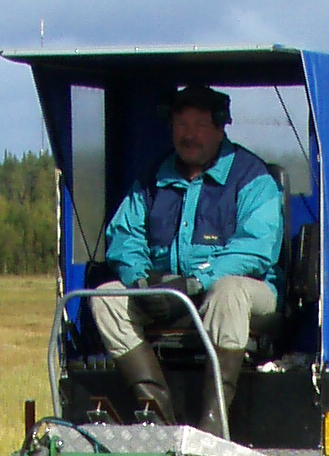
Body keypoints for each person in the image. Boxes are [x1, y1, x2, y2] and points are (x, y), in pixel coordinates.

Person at [89, 84, 286, 433]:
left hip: (246, 293)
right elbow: (124, 236)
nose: (189, 135)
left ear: (220, 127)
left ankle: (213, 427)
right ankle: (157, 418)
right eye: (181, 125)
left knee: (228, 293)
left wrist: (196, 280)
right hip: (168, 294)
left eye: (199, 125)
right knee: (106, 298)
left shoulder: (253, 178)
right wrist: (140, 281)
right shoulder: (152, 179)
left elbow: (256, 248)